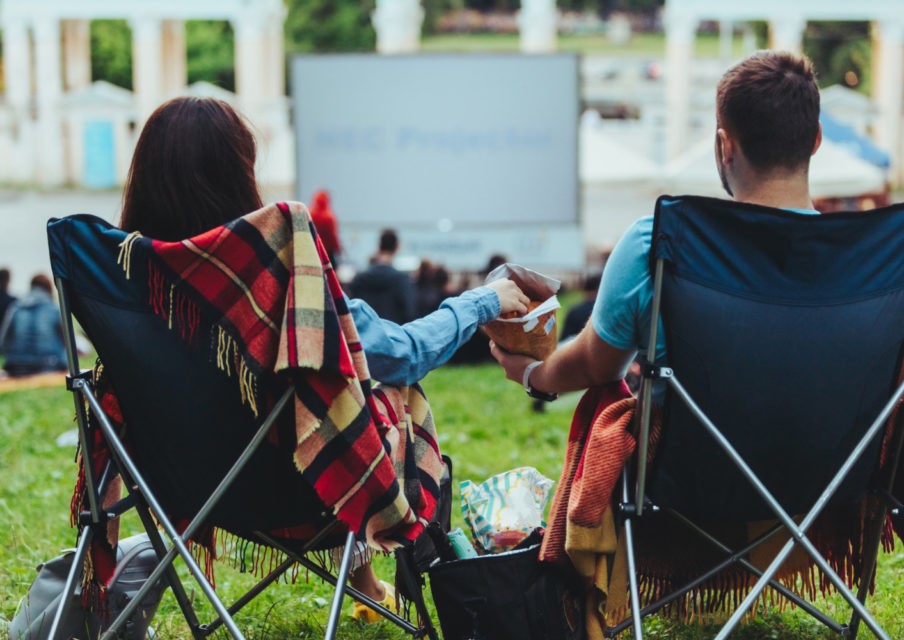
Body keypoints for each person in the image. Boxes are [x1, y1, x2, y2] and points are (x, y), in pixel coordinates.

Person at [118, 95, 529, 618]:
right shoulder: (278, 267)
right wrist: (481, 302)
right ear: (239, 175)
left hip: (185, 487)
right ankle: (418, 580)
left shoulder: (121, 274)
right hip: (306, 488)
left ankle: (367, 583)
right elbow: (399, 355)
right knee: (389, 391)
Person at [492, 50, 823, 402]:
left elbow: (594, 365)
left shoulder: (655, 245)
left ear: (726, 146)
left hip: (694, 458)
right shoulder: (874, 266)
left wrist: (533, 374)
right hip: (838, 458)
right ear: (816, 140)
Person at [0, 273, 67, 377]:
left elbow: (3, 344)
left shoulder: (15, 308)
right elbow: (67, 343)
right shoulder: (54, 309)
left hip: (15, 366)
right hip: (49, 366)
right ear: (49, 289)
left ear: (31, 287)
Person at [349, 228, 416, 324]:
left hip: (364, 335)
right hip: (392, 336)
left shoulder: (359, 280)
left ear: (379, 246)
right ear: (397, 247)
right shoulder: (402, 281)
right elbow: (409, 314)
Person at [308, 188, 342, 267]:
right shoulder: (329, 217)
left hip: (313, 251)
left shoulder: (309, 214)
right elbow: (333, 236)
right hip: (327, 253)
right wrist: (338, 249)